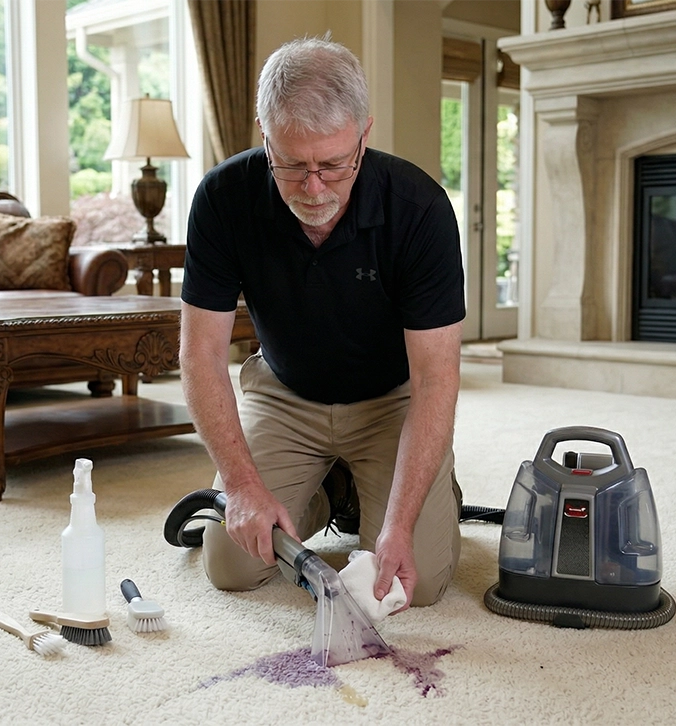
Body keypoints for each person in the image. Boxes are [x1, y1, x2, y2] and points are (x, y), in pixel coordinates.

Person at [179, 36, 465, 611]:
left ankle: (406, 488)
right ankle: (335, 489)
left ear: (365, 135)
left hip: (392, 401)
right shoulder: (221, 198)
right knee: (232, 564)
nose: (313, 189)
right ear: (264, 136)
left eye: (333, 165)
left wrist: (401, 523)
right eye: (292, 165)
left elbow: (436, 379)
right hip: (287, 393)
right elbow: (201, 353)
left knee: (421, 580)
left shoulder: (421, 210)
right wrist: (240, 488)